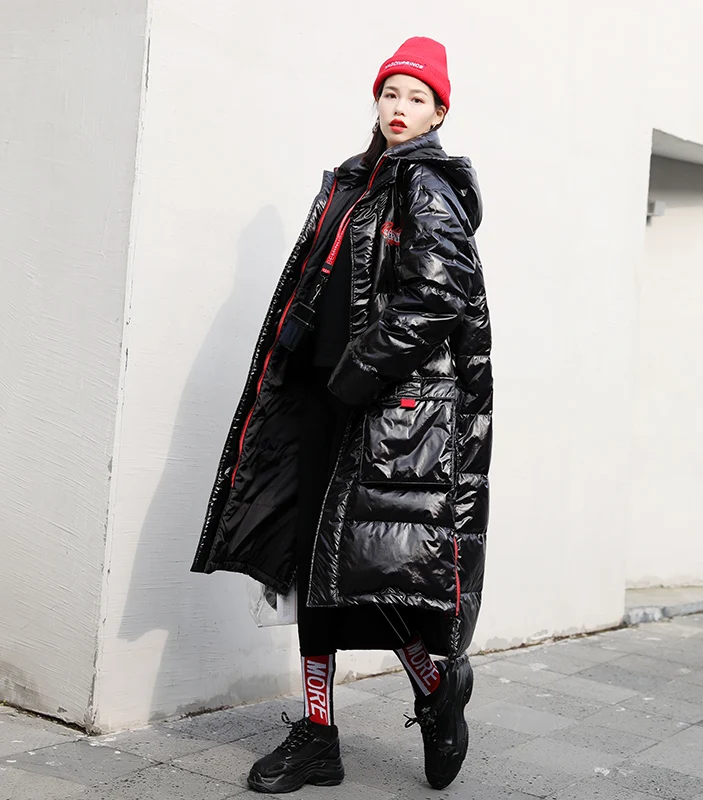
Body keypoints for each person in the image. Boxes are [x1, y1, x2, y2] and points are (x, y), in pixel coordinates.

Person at [191, 36, 493, 794]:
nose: (400, 108)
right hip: (325, 402)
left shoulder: (426, 185)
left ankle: (433, 687)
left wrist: (357, 373)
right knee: (316, 570)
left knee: (368, 573)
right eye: (391, 93)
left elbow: (436, 297)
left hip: (379, 412)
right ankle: (321, 733)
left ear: (439, 112)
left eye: (417, 98)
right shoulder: (359, 180)